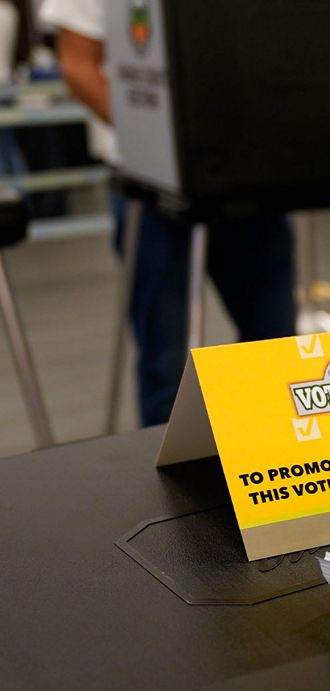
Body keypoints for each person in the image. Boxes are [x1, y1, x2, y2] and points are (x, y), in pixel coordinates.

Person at [42, 0, 296, 426]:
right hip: (152, 187)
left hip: (250, 178)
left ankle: (274, 461)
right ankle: (171, 481)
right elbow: (79, 65)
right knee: (165, 361)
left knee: (275, 348)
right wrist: (163, 142)